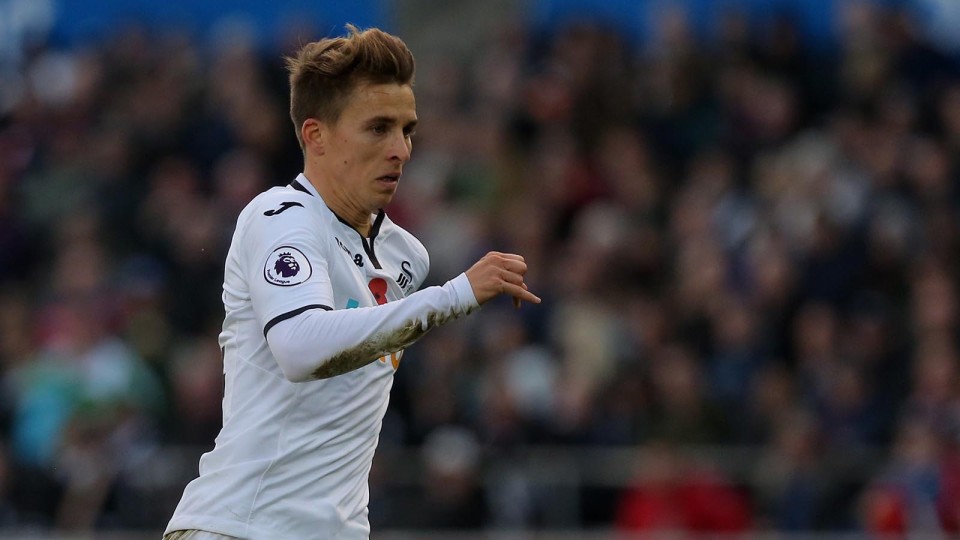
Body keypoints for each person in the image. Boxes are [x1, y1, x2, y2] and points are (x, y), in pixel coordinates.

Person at [163, 25, 540, 540]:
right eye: (378, 128)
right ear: (315, 135)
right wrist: (454, 296)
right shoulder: (281, 218)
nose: (401, 150)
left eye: (407, 130)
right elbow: (300, 348)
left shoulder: (406, 256)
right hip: (241, 527)